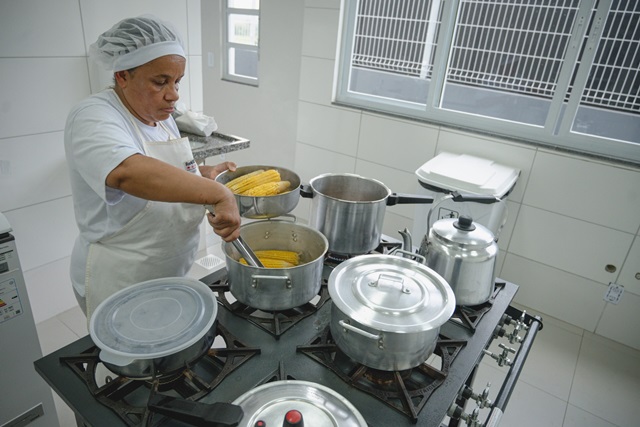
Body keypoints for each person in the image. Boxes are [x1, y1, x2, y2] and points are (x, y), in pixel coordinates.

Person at [64, 15, 241, 318]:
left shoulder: (162, 117)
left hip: (167, 273)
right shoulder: (93, 115)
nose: (174, 94)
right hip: (121, 280)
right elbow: (127, 173)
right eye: (160, 82)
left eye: (177, 81)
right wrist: (217, 193)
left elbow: (167, 172)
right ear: (123, 75)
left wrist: (203, 175)